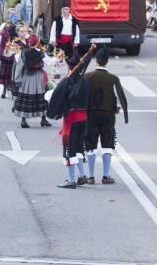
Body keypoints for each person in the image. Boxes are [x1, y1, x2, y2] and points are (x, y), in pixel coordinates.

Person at [48, 53, 93, 188]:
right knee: (78, 148)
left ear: (69, 67)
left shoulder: (67, 82)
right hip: (83, 118)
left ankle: (71, 179)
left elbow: (56, 99)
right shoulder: (85, 81)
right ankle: (81, 175)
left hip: (71, 119)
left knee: (69, 150)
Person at [84, 48, 128, 184]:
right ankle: (106, 176)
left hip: (90, 115)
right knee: (107, 144)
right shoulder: (113, 79)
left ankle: (90, 176)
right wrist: (118, 110)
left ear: (96, 61)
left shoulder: (87, 77)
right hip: (108, 115)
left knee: (90, 145)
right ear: (107, 62)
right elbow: (120, 99)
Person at [11, 43, 49, 129]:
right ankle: (43, 119)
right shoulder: (40, 52)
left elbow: (19, 67)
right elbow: (49, 62)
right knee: (41, 97)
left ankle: (23, 120)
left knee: (25, 97)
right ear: (37, 43)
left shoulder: (22, 53)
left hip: (27, 76)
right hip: (38, 76)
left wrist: (17, 80)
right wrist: (58, 59)